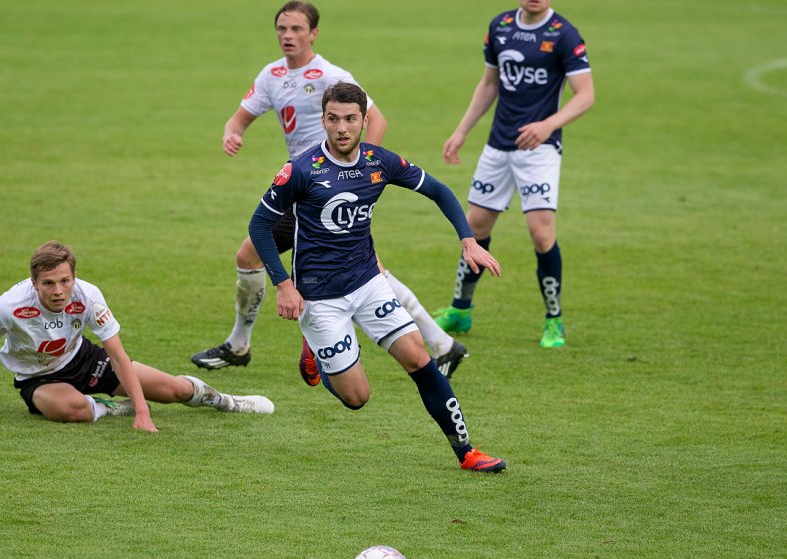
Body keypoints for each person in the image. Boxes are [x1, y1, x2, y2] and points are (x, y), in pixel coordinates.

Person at [191, 1, 469, 380]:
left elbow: (378, 119)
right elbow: (239, 118)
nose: (288, 36)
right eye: (282, 29)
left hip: (327, 192)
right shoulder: (271, 75)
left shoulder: (331, 75)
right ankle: (443, 345)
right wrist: (232, 132)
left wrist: (360, 176)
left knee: (364, 274)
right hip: (304, 189)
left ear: (314, 34)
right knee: (364, 272)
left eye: (296, 29)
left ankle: (242, 345)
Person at [248, 82, 507, 473]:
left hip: (368, 282)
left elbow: (438, 190)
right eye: (333, 119)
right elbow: (259, 226)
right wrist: (284, 285)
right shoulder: (300, 171)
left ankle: (466, 452)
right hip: (319, 298)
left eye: (351, 119)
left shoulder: (379, 161)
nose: (342, 128)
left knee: (419, 357)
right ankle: (317, 347)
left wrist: (468, 240)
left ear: (365, 121)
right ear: (323, 120)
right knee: (357, 398)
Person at [0, 241, 275, 431]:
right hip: (39, 380)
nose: (58, 291)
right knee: (71, 409)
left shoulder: (88, 296)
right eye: (48, 284)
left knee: (173, 389)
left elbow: (118, 357)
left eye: (65, 281)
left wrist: (144, 411)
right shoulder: (8, 307)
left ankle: (229, 402)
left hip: (86, 360)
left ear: (74, 276)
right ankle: (108, 407)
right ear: (34, 283)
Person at [432, 0, 594, 348]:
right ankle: (460, 310)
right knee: (474, 227)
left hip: (539, 150)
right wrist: (462, 131)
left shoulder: (564, 35)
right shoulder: (501, 26)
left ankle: (554, 320)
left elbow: (586, 95)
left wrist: (547, 125)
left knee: (540, 233)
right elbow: (489, 84)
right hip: (498, 146)